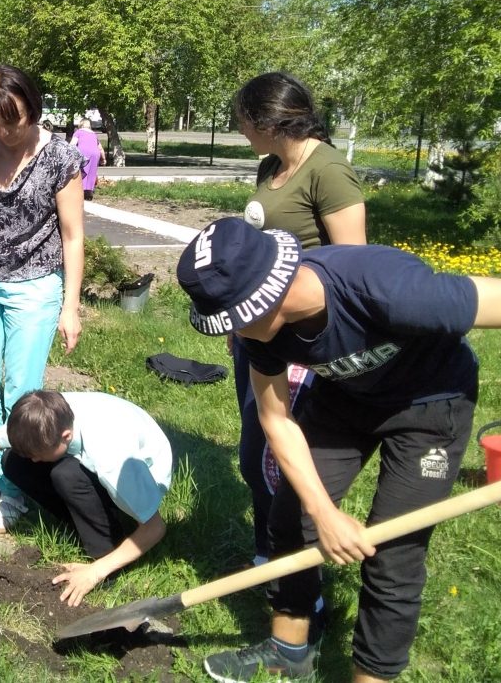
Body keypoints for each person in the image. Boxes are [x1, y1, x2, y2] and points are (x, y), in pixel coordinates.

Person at [177, 217, 500, 683]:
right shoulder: (261, 331)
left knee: (393, 552)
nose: (236, 334)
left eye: (238, 320)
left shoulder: (390, 290)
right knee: (291, 516)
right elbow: (275, 419)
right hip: (346, 399)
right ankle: (288, 652)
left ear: (270, 293)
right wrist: (323, 512)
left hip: (431, 407)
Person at [233, 71, 366, 569]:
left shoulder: (328, 171)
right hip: (259, 332)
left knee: (283, 454)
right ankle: (269, 550)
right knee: (255, 450)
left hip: (305, 337)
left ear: (268, 120)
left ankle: (293, 563)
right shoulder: (271, 167)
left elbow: (356, 266)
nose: (241, 130)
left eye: (245, 121)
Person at [0, 64, 85, 533]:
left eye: (14, 120)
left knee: (22, 395)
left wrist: (70, 305)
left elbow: (72, 236)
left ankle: (16, 490)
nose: (3, 131)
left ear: (34, 110)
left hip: (35, 287)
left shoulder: (61, 159)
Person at [0, 390, 171, 606]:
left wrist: (96, 572)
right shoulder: (43, 417)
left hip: (144, 475)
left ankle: (108, 553)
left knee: (66, 475)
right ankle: (84, 521)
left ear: (65, 437)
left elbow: (154, 527)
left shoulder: (111, 457)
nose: (34, 459)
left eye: (38, 453)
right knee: (13, 460)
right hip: (93, 462)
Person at [70, 118, 106, 200]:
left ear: (81, 125)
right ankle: (89, 193)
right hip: (95, 153)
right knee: (92, 172)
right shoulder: (94, 134)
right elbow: (100, 148)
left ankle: (80, 191)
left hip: (83, 152)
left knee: (82, 171)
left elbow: (72, 145)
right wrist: (103, 159)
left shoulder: (78, 132)